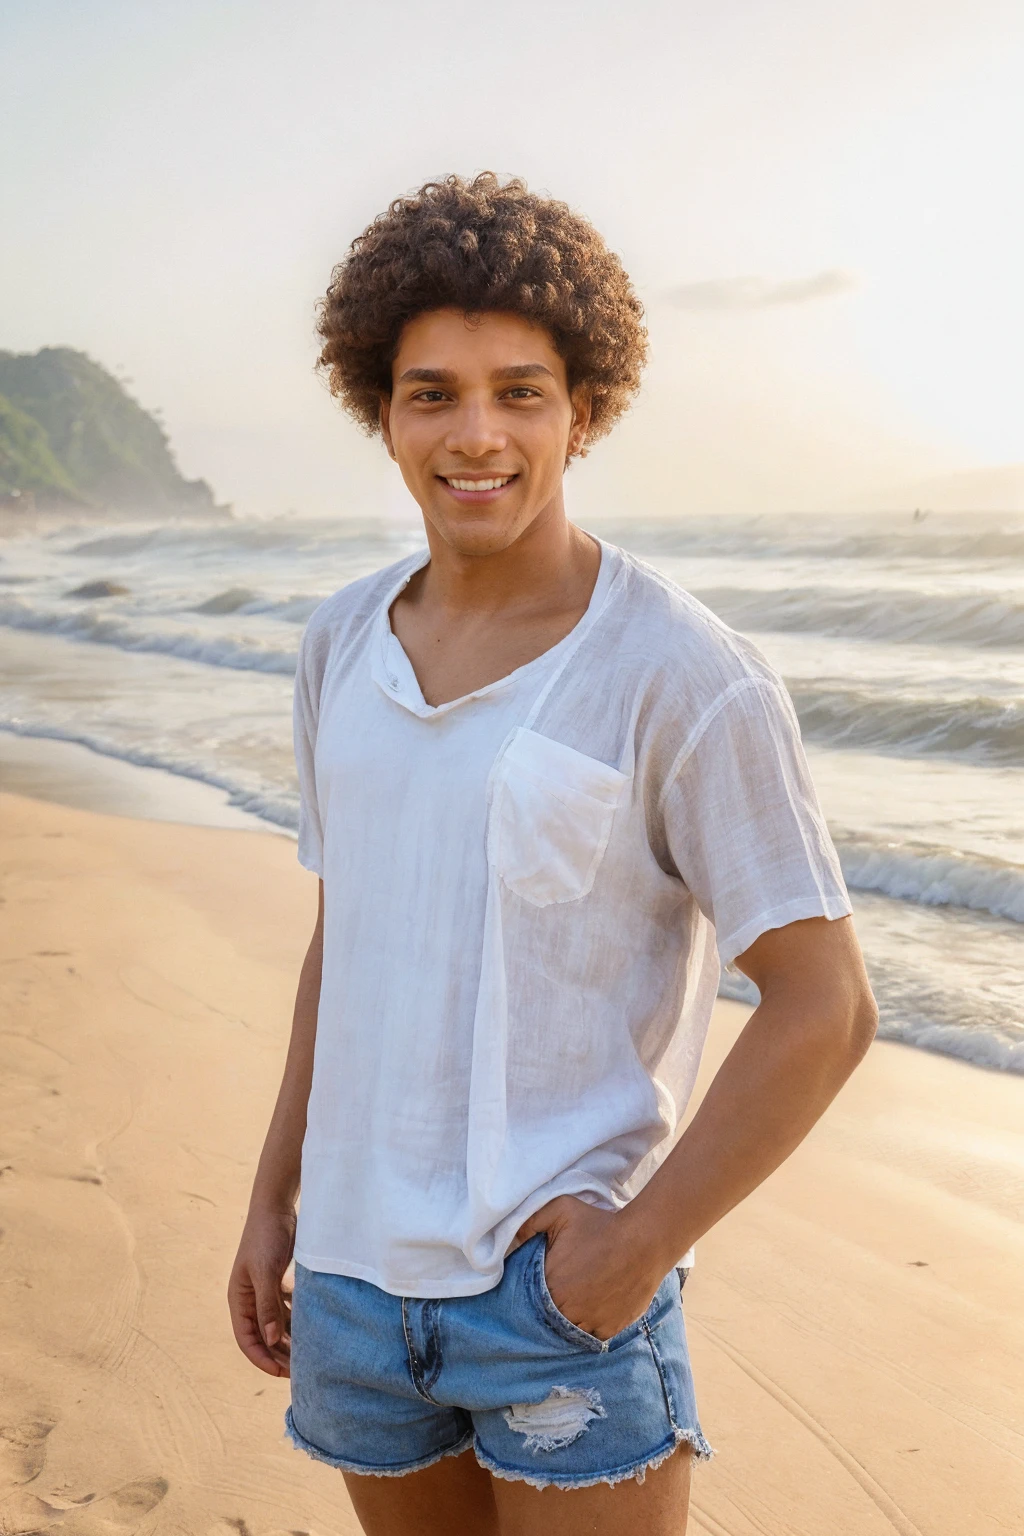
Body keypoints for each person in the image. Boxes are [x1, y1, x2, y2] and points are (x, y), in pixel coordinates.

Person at [227, 172, 877, 1536]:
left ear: (585, 409)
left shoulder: (683, 675)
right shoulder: (341, 643)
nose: (478, 435)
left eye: (521, 390)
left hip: (556, 1306)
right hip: (348, 1284)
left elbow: (826, 1008)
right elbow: (350, 937)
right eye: (433, 393)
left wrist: (637, 1250)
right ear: (380, 411)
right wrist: (275, 1193)